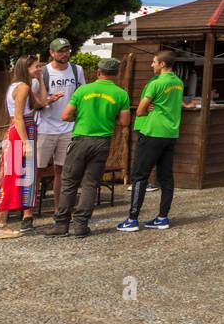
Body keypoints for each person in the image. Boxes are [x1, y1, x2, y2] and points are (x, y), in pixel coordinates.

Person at [43, 59, 131, 237]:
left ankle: (61, 225)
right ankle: (81, 226)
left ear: (98, 72)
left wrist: (82, 118)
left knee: (69, 182)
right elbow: (124, 122)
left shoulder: (83, 90)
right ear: (116, 74)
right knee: (90, 184)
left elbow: (66, 115)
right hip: (102, 142)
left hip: (80, 139)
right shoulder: (121, 94)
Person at [0, 55, 56, 239]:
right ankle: (1, 224)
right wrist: (25, 143)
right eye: (36, 67)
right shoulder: (22, 87)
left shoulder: (17, 86)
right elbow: (19, 117)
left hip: (18, 132)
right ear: (26, 69)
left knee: (5, 177)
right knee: (11, 178)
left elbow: (42, 102)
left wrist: (40, 80)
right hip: (21, 132)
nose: (40, 68)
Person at [119, 51, 183, 232]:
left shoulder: (155, 83)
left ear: (162, 64)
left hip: (153, 131)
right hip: (170, 133)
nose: (151, 65)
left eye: (154, 62)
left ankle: (132, 219)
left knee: (140, 175)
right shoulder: (178, 83)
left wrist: (149, 108)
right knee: (166, 177)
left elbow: (139, 111)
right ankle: (163, 217)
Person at [35, 38, 85, 215]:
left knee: (63, 171)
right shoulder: (43, 72)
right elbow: (34, 102)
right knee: (37, 170)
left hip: (68, 127)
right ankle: (28, 212)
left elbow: (81, 95)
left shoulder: (76, 70)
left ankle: (60, 210)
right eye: (60, 51)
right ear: (52, 53)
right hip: (45, 127)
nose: (64, 54)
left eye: (66, 50)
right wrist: (48, 99)